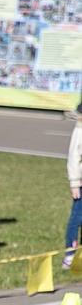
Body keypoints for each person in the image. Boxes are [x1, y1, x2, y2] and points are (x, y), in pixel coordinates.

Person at [64, 111, 82, 268]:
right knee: (76, 219)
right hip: (81, 184)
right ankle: (70, 254)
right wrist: (75, 182)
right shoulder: (80, 129)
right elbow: (74, 157)